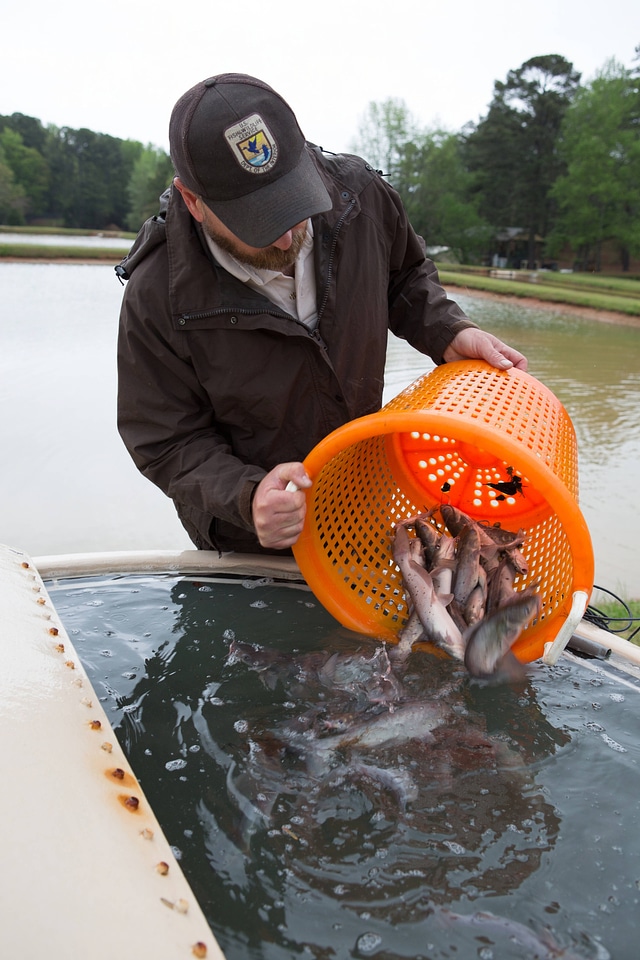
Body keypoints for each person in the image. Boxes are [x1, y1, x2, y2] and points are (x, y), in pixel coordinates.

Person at [116, 73, 527, 556]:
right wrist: (247, 497)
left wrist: (448, 331)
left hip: (361, 498)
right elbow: (166, 439)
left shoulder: (361, 196)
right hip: (250, 537)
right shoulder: (156, 293)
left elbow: (406, 276)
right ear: (193, 201)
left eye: (293, 205)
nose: (287, 239)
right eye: (259, 222)